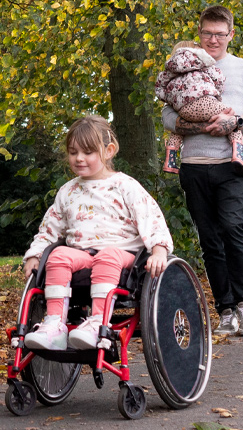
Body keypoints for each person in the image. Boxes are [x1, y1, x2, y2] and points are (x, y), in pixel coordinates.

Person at [21, 115, 176, 351]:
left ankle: (97, 322)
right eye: (73, 152)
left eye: (88, 152)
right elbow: (49, 229)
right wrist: (34, 256)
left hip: (123, 254)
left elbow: (151, 218)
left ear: (108, 150)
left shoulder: (125, 186)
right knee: (59, 255)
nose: (79, 158)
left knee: (108, 255)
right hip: (82, 254)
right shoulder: (67, 191)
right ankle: (55, 325)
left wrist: (159, 250)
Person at [162, 6, 243, 336]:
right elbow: (168, 114)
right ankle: (225, 310)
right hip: (193, 167)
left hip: (231, 165)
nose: (213, 39)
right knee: (209, 240)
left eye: (219, 34)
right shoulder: (182, 65)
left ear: (231, 35)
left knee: (232, 229)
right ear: (199, 33)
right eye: (207, 33)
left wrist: (234, 122)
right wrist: (193, 125)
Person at [155, 41, 243, 171]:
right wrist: (216, 92)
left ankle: (169, 162)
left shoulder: (170, 69)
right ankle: (238, 154)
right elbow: (219, 79)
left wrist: (173, 100)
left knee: (177, 131)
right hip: (204, 102)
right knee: (230, 118)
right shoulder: (202, 62)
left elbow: (160, 89)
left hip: (183, 110)